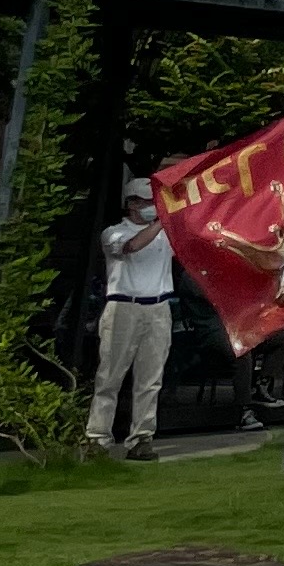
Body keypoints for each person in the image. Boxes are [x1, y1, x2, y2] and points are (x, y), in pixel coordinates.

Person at [89, 175, 175, 460]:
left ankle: (141, 438)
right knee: (110, 376)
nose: (154, 207)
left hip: (159, 307)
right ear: (133, 204)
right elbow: (132, 247)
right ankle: (97, 438)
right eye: (148, 203)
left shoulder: (166, 234)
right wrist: (161, 221)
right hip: (123, 307)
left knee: (150, 378)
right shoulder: (114, 232)